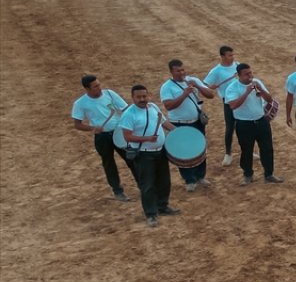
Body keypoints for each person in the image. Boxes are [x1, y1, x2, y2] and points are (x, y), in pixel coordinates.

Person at [119, 84, 180, 227]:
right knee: (148, 185)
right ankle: (151, 214)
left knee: (164, 182)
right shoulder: (129, 114)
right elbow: (127, 137)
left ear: (148, 95)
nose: (142, 99)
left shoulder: (153, 107)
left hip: (160, 151)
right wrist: (146, 139)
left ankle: (162, 206)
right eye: (139, 97)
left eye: (144, 96)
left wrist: (179, 133)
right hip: (144, 155)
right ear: (133, 98)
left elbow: (164, 123)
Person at [71, 74, 132, 202]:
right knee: (109, 163)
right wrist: (92, 128)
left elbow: (126, 109)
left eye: (99, 85)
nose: (99, 88)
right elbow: (77, 124)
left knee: (131, 159)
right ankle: (117, 190)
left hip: (118, 133)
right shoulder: (80, 103)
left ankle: (143, 186)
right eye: (95, 87)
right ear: (87, 89)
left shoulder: (109, 94)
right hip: (102, 137)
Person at [159, 59, 215, 192]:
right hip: (178, 123)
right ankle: (189, 180)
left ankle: (201, 176)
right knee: (183, 152)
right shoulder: (167, 87)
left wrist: (198, 86)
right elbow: (169, 106)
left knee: (200, 148)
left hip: (196, 121)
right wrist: (185, 94)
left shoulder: (192, 80)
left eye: (183, 70)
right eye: (178, 71)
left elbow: (210, 95)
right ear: (171, 72)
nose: (182, 73)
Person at [224, 63, 284, 186]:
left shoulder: (257, 82)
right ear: (238, 75)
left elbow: (269, 99)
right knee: (246, 150)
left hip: (261, 121)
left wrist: (260, 90)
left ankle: (269, 174)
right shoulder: (232, 88)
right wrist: (246, 93)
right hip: (244, 124)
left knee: (267, 148)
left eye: (250, 73)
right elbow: (233, 106)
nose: (250, 76)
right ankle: (247, 175)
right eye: (246, 74)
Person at [204, 46, 240, 167]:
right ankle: (228, 153)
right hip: (228, 101)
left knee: (243, 126)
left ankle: (247, 150)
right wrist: (211, 87)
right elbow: (205, 85)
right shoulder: (216, 71)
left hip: (241, 99)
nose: (232, 57)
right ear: (223, 56)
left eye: (232, 55)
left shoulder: (237, 65)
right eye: (229, 55)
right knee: (230, 127)